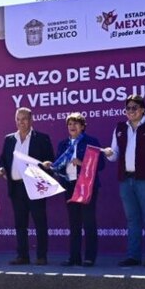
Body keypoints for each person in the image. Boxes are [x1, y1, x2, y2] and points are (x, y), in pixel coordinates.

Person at [101, 95, 145, 268]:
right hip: (125, 180)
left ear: (143, 109)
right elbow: (115, 155)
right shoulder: (120, 127)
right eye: (128, 108)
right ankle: (133, 256)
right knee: (132, 219)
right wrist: (109, 153)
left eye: (134, 108)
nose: (130, 111)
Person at [0, 107, 54, 265]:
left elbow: (50, 160)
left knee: (40, 223)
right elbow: (3, 159)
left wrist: (48, 164)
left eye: (24, 119)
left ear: (31, 120)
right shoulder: (9, 139)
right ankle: (23, 256)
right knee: (20, 224)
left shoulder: (41, 138)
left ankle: (41, 256)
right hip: (16, 187)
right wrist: (1, 169)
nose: (21, 122)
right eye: (18, 119)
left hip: (35, 186)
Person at [45, 113, 104, 267]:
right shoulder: (63, 144)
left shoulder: (91, 142)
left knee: (89, 222)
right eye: (69, 124)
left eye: (76, 123)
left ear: (83, 126)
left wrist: (82, 163)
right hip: (70, 186)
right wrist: (50, 165)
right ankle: (74, 257)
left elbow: (101, 165)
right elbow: (58, 165)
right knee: (74, 223)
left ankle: (90, 257)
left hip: (87, 186)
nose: (72, 126)